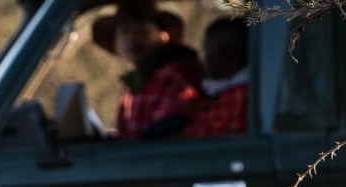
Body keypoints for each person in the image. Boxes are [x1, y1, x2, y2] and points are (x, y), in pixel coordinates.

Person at [92, 1, 204, 140]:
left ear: (163, 36)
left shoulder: (176, 72)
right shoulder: (136, 82)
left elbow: (169, 129)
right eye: (124, 32)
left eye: (140, 31)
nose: (131, 39)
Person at [182, 16, 249, 137]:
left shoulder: (236, 97)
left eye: (208, 51)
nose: (205, 59)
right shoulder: (239, 93)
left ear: (226, 53)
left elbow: (195, 139)